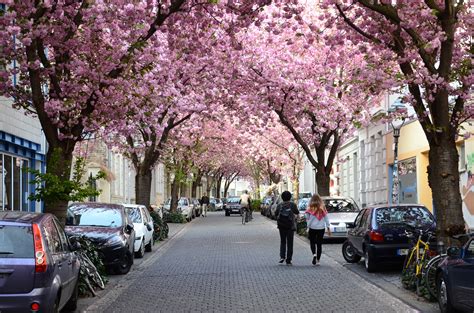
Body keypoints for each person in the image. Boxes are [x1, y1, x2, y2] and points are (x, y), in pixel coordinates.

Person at [305, 194, 331, 266]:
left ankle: (314, 254)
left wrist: (308, 225)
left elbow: (307, 217)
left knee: (312, 242)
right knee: (319, 244)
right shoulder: (322, 208)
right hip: (321, 228)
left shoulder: (310, 207)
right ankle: (318, 260)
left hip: (312, 227)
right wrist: (328, 226)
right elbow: (326, 217)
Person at [275, 191, 299, 265]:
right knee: (290, 243)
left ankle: (282, 257)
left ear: (282, 197)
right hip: (290, 226)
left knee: (283, 241)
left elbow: (276, 214)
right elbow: (297, 212)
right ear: (290, 197)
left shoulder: (279, 205)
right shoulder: (292, 204)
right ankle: (288, 259)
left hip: (281, 225)